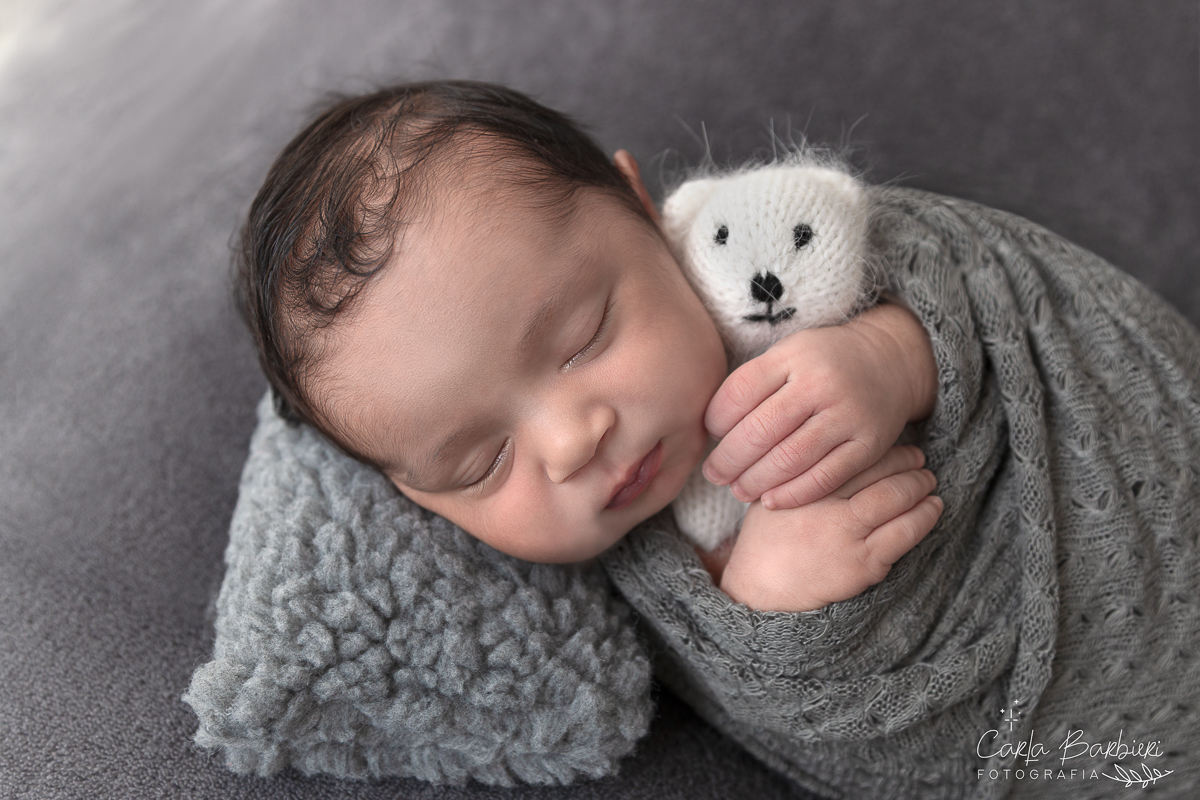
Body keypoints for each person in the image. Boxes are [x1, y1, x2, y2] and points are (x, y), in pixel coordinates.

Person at [236, 79, 943, 613]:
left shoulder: (755, 260)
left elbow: (972, 264)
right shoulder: (601, 601)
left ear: (641, 208)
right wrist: (757, 601)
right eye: (482, 463)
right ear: (416, 495)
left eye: (582, 340)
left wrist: (897, 354)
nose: (571, 444)